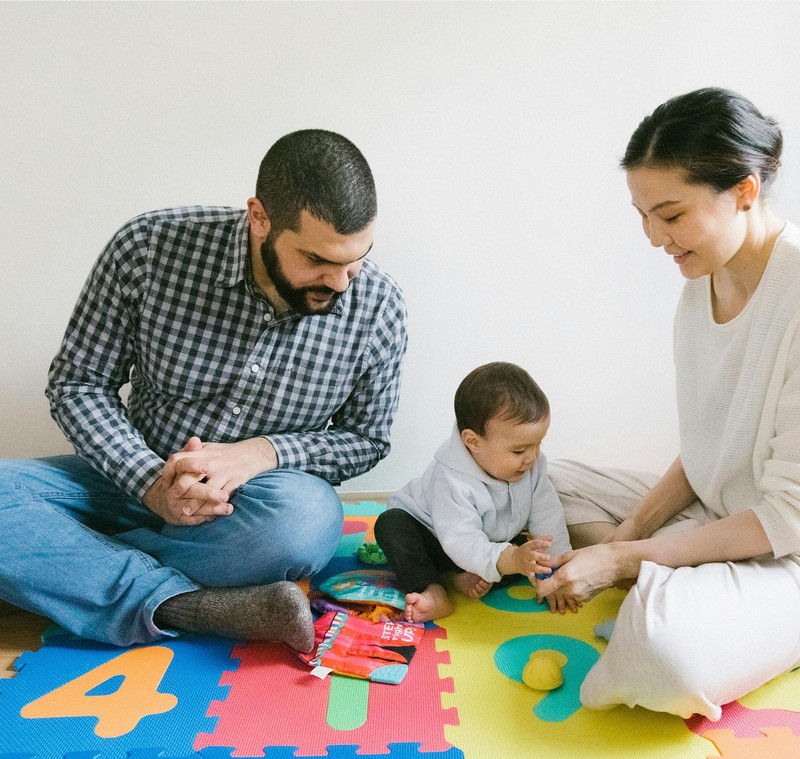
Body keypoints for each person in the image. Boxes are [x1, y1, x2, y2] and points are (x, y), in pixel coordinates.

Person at [0, 130, 408, 652]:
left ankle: (54, 568)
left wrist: (264, 452)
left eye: (356, 261)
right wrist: (149, 481)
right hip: (126, 477)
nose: (341, 283)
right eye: (317, 261)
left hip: (248, 515)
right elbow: (79, 383)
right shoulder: (148, 248)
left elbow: (366, 439)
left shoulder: (379, 308)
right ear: (259, 218)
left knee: (308, 522)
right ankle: (182, 605)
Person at [538, 87, 800, 719]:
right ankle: (680, 583)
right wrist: (629, 533)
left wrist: (622, 556)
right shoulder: (701, 284)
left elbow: (787, 518)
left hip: (786, 547)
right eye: (643, 216)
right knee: (544, 480)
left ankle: (685, 600)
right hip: (719, 510)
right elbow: (709, 447)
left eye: (672, 215)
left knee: (663, 653)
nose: (656, 237)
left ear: (743, 191)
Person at [375, 362, 576, 623]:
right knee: (391, 525)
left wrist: (555, 573)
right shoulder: (451, 478)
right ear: (473, 442)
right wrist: (510, 559)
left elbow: (548, 515)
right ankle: (433, 589)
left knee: (530, 554)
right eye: (519, 451)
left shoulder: (533, 465)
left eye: (538, 444)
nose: (532, 457)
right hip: (436, 537)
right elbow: (460, 539)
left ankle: (464, 576)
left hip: (490, 542)